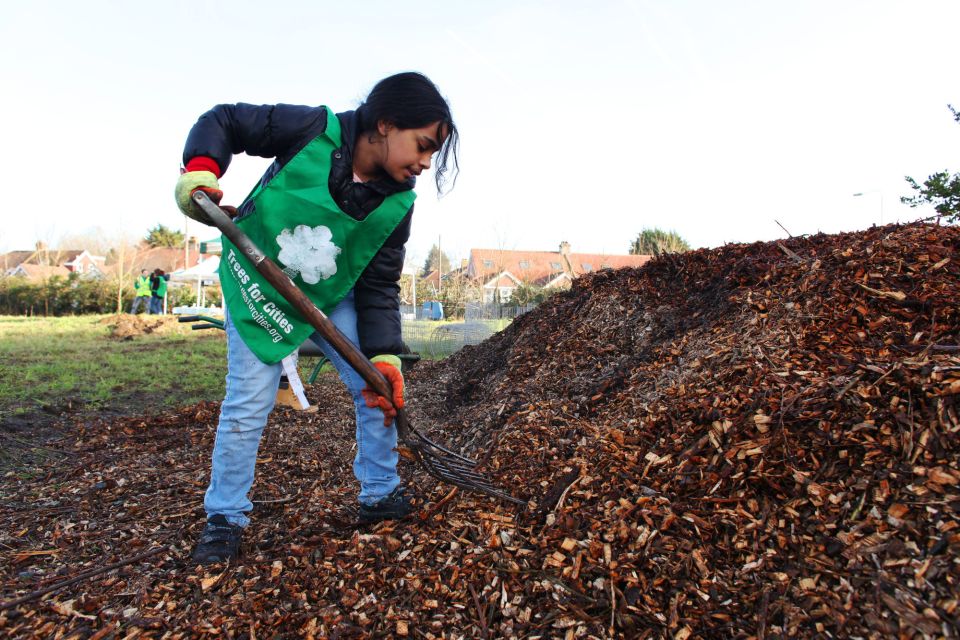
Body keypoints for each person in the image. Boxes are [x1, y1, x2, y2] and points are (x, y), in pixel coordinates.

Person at [174, 72, 459, 564]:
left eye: (433, 153)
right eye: (424, 145)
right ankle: (225, 516)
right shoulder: (311, 129)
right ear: (387, 124)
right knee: (248, 400)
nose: (425, 162)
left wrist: (384, 354)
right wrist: (201, 170)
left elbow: (378, 285)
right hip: (257, 281)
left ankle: (380, 493)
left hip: (331, 293)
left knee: (377, 387)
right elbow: (225, 121)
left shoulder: (397, 204)